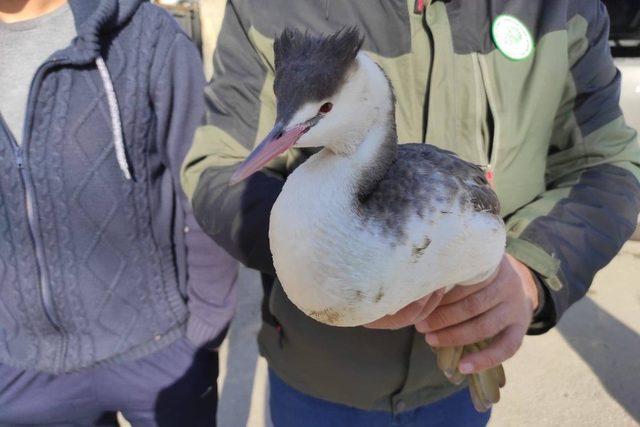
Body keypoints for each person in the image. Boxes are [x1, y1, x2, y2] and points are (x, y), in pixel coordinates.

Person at [183, 0, 640, 425]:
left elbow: (608, 163)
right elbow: (218, 168)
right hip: (319, 375)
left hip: (454, 377)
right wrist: (320, 254)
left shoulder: (561, 7)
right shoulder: (269, 7)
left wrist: (527, 274)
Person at [0, 0, 237, 425]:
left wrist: (207, 322)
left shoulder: (145, 35)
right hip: (21, 368)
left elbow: (204, 183)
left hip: (162, 349)